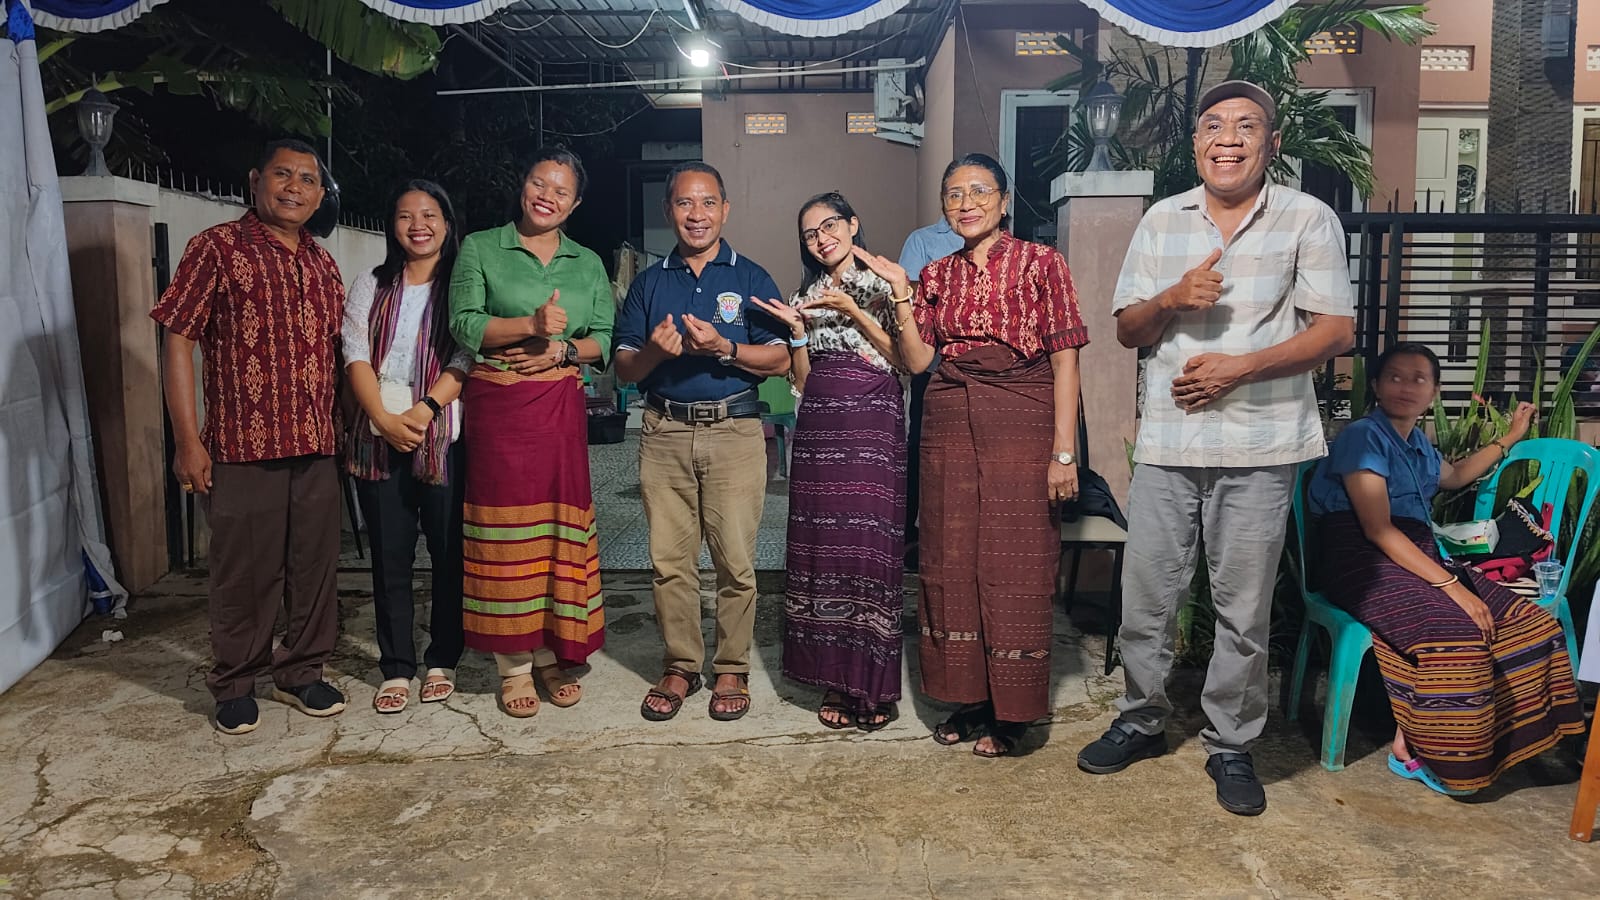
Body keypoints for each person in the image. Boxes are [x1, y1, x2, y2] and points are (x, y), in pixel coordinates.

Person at [1076, 81, 1356, 816]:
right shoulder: (1163, 220)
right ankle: (1139, 718)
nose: (1226, 137)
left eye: (1245, 125)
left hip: (1261, 444)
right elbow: (1128, 330)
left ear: (1272, 143)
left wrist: (1242, 366)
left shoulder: (1307, 218)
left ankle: (1231, 744)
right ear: (1196, 143)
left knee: (1242, 607)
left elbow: (1336, 332)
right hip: (1170, 443)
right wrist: (1172, 298)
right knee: (1147, 598)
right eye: (1212, 125)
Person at [870, 152, 1087, 757]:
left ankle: (1013, 710)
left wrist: (1063, 453)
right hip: (947, 415)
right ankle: (969, 697)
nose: (966, 203)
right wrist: (899, 296)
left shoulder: (1044, 263)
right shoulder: (936, 275)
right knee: (950, 554)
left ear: (1004, 199)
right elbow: (916, 361)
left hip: (1023, 414)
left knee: (1016, 558)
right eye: (954, 194)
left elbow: (1067, 355)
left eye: (978, 191)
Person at [1308, 343, 1584, 794]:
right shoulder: (1364, 436)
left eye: (1419, 379)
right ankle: (1428, 753)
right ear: (1376, 385)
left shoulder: (1416, 441)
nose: (1406, 387)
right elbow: (1377, 529)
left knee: (1531, 623)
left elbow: (1453, 476)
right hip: (1358, 556)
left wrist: (1510, 437)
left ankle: (1430, 733)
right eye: (1394, 376)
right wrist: (1454, 587)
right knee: (1456, 632)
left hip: (1417, 552)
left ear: (1434, 391)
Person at [152, 138, 348, 734]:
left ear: (320, 196)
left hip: (316, 444)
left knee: (314, 568)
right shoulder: (215, 248)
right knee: (244, 573)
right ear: (255, 180)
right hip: (242, 446)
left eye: (308, 179)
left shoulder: (322, 262)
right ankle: (236, 681)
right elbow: (178, 341)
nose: (295, 188)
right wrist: (189, 441)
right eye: (283, 175)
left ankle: (302, 671)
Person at [613, 161, 791, 722]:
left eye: (708, 202)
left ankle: (732, 666)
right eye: (685, 204)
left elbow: (784, 356)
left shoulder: (751, 278)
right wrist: (654, 355)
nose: (697, 214)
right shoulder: (649, 282)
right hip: (663, 431)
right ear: (669, 210)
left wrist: (725, 348)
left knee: (736, 561)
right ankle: (682, 664)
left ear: (724, 209)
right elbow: (623, 369)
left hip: (736, 430)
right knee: (669, 561)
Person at [449, 147, 614, 718]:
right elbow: (464, 324)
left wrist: (563, 349)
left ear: (575, 203)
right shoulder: (480, 248)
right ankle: (514, 665)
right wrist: (530, 326)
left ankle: (551, 650)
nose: (548, 195)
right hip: (498, 410)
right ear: (522, 186)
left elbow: (605, 339)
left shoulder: (587, 262)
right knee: (503, 533)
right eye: (539, 182)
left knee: (553, 534)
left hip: (558, 410)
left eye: (561, 190)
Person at [750, 191, 906, 731]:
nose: (821, 238)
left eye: (829, 225)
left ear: (854, 224)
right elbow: (802, 379)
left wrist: (854, 311)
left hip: (871, 422)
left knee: (866, 548)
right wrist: (796, 333)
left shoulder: (886, 281)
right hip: (820, 427)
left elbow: (903, 359)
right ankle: (837, 681)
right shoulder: (807, 293)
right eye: (810, 233)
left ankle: (874, 685)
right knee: (826, 551)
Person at [342, 180, 472, 714]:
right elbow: (355, 354)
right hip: (377, 437)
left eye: (429, 214)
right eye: (404, 216)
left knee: (447, 553)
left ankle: (443, 656)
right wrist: (381, 418)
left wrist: (424, 411)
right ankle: (396, 665)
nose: (418, 225)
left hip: (441, 433)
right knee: (390, 556)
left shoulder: (462, 286)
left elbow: (467, 353)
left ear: (446, 221)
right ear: (391, 226)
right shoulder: (369, 284)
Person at [897, 218, 964, 571]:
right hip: (932, 366)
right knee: (920, 447)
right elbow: (907, 296)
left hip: (982, 377)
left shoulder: (1009, 245)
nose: (968, 203)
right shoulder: (922, 239)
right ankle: (910, 538)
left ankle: (952, 543)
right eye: (956, 194)